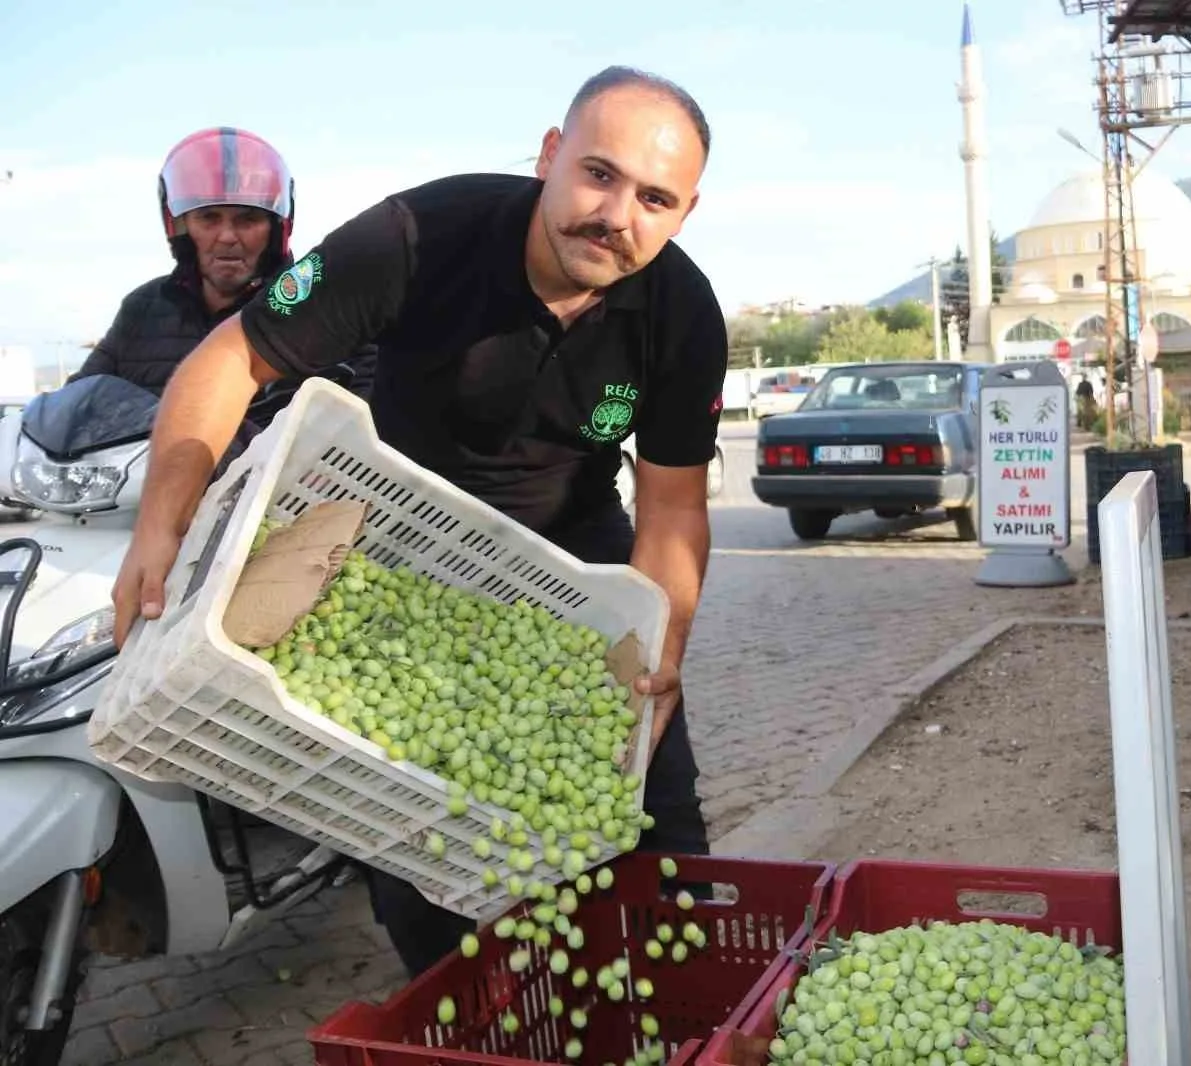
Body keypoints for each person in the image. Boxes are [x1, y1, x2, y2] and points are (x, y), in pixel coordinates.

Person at [110, 66, 726, 977]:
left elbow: (671, 510)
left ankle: (669, 1008)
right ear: (550, 156)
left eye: (654, 198)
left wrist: (659, 652)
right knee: (422, 868)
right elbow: (232, 358)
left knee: (655, 832)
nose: (616, 215)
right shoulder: (421, 235)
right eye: (599, 174)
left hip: (572, 562)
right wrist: (160, 524)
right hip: (402, 556)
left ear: (685, 212)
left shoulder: (682, 314)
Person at [69, 126, 376, 421]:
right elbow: (78, 403)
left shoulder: (324, 307)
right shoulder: (142, 308)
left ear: (276, 228)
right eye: (209, 218)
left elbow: (371, 419)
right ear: (181, 227)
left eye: (248, 219)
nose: (227, 236)